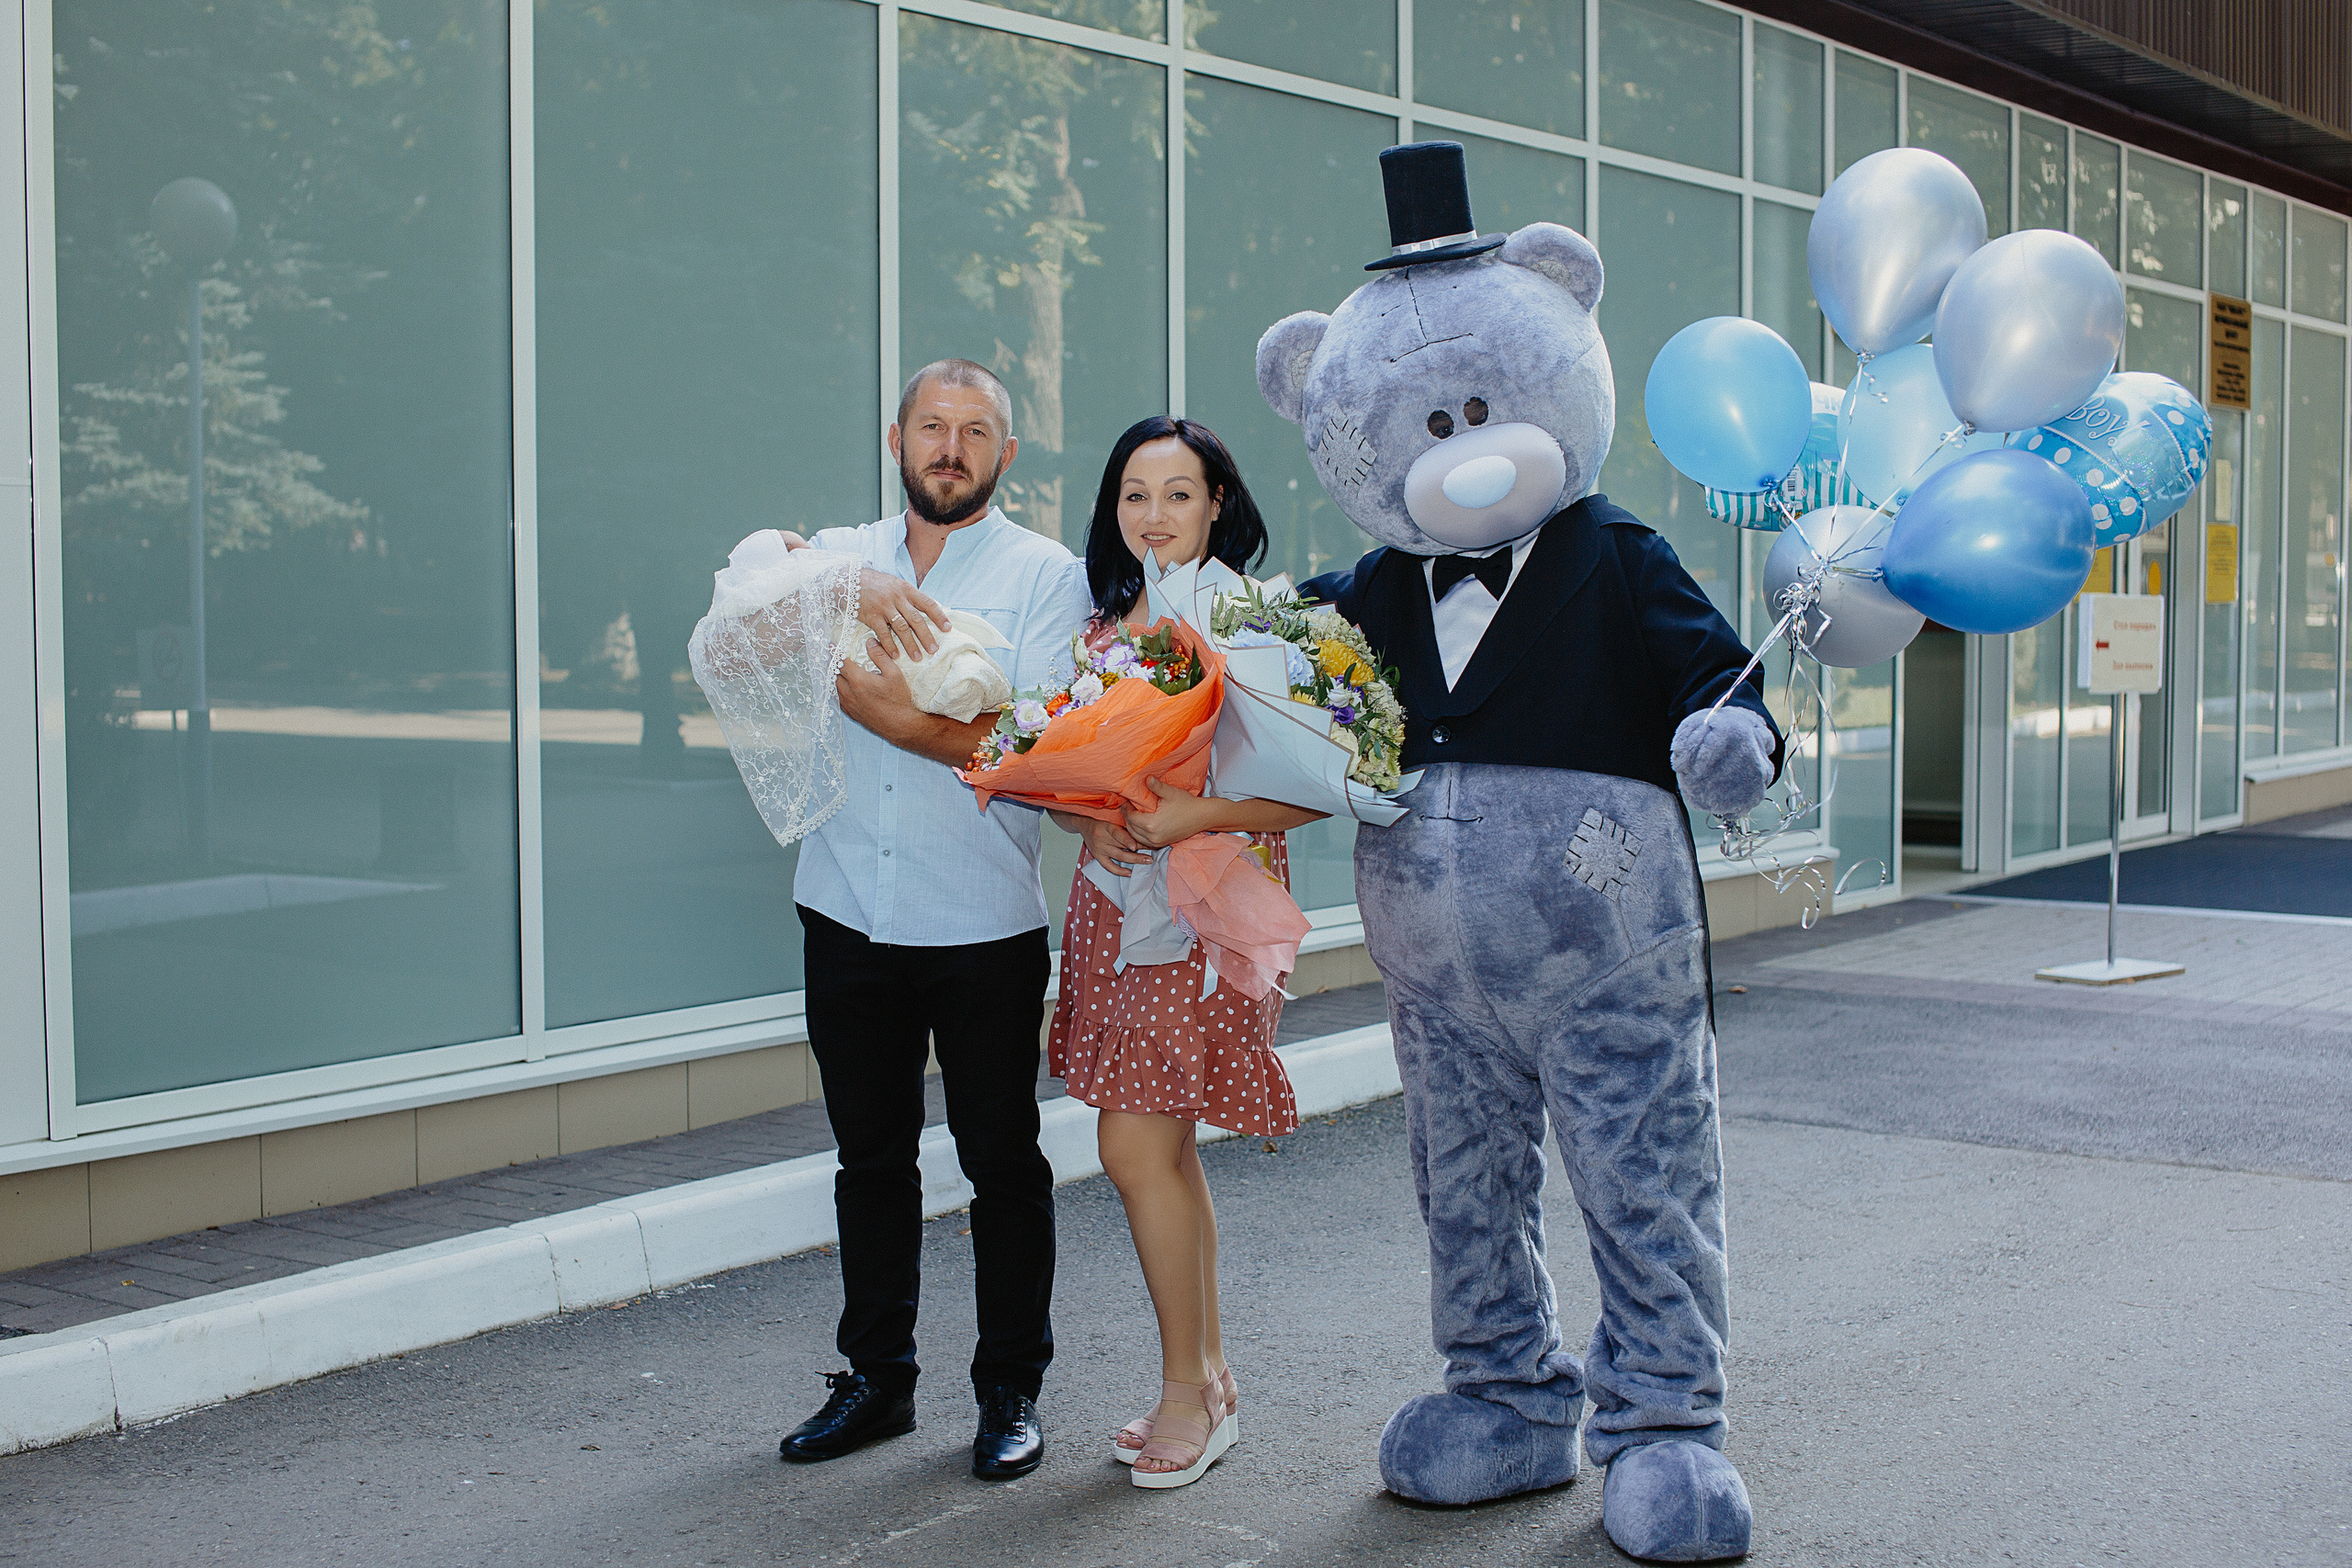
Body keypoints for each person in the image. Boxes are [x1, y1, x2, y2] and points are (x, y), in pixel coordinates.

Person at [775, 359, 1094, 1481]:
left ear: (1006, 454)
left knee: (1002, 1162)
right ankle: (876, 1381)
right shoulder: (834, 558)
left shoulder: (1046, 577)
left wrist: (893, 720)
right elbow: (740, 623)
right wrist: (833, 587)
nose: (949, 448)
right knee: (870, 1160)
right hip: (846, 907)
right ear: (896, 436)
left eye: (975, 432)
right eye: (932, 426)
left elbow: (1039, 748)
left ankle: (1010, 1390)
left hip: (981, 923)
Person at [1045, 416, 1325, 1489]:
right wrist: (1092, 821)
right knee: (1163, 1150)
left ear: (1218, 504)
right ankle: (1206, 1381)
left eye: (1177, 493)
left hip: (1203, 910)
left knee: (1131, 1150)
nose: (1154, 515)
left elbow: (1314, 789)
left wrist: (1189, 814)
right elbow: (1071, 781)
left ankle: (1183, 1396)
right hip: (1116, 903)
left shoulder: (1259, 627)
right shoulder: (1103, 635)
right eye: (1134, 495)